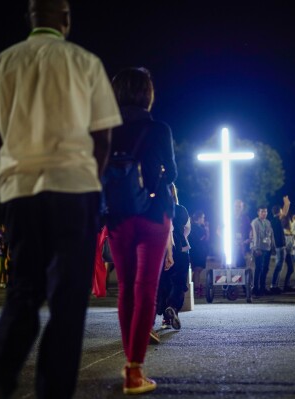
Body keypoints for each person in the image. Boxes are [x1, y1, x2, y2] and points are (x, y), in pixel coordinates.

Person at [0, 1, 122, 397]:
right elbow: (103, 137)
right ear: (66, 19)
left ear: (29, 18)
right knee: (69, 296)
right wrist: (88, 175)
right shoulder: (85, 63)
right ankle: (53, 391)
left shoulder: (1, 65)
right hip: (74, 189)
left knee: (23, 287)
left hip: (20, 192)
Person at [106, 66, 177, 393]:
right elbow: (172, 174)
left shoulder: (105, 129)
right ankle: (134, 370)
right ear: (147, 94)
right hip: (154, 213)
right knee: (146, 287)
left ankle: (130, 364)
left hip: (118, 215)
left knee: (125, 290)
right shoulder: (159, 129)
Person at [157, 183, 189, 330]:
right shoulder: (182, 210)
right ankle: (173, 307)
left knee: (164, 283)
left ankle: (166, 318)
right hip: (181, 249)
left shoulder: (158, 208)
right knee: (179, 283)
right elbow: (187, 229)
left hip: (161, 248)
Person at [269, 196, 291, 294]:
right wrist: (287, 203)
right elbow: (285, 213)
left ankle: (275, 285)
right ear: (279, 211)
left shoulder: (274, 221)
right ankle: (274, 286)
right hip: (280, 246)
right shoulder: (277, 220)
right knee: (279, 266)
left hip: (279, 246)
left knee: (280, 266)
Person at [251, 206, 274, 295]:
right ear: (258, 213)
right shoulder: (255, 222)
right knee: (258, 269)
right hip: (259, 248)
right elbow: (255, 236)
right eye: (262, 212)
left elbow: (271, 235)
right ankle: (255, 288)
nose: (264, 213)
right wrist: (256, 248)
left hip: (267, 248)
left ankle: (262, 287)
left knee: (265, 269)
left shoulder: (268, 222)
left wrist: (273, 247)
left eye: (265, 212)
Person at [188, 210, 210, 297]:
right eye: (203, 217)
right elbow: (205, 239)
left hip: (195, 251)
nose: (204, 219)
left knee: (197, 270)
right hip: (198, 251)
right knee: (197, 269)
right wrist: (207, 230)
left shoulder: (193, 227)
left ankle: (194, 288)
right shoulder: (198, 228)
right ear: (199, 218)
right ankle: (196, 288)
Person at [233, 199, 252, 268]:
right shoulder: (228, 217)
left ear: (242, 208)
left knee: (241, 266)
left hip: (242, 246)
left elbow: (250, 230)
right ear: (233, 206)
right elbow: (219, 230)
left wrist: (249, 238)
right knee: (229, 267)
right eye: (236, 206)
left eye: (239, 206)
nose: (237, 208)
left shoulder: (245, 218)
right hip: (231, 246)